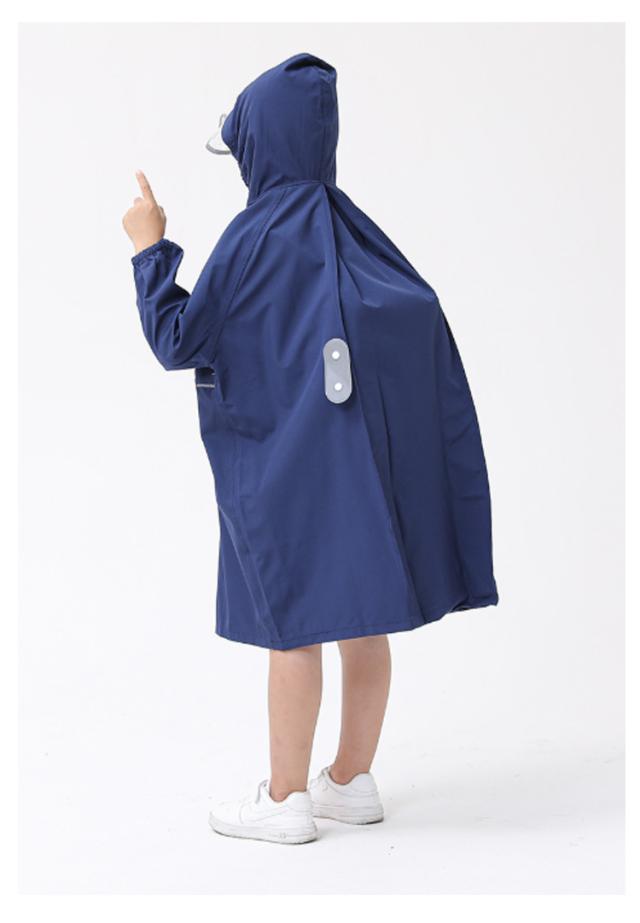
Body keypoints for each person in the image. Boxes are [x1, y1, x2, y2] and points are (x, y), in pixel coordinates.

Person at [123, 53, 498, 845]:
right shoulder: (357, 231)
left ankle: (286, 796)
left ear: (257, 144)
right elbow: (413, 314)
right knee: (364, 617)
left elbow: (178, 339)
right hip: (363, 475)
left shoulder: (253, 235)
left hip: (285, 472)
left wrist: (150, 248)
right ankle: (351, 779)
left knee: (291, 625)